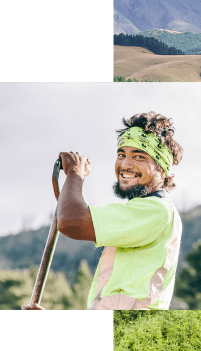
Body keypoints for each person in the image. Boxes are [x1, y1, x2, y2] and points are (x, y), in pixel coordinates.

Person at [22, 112, 184, 310]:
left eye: (139, 156)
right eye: (121, 155)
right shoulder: (149, 214)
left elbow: (71, 221)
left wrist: (75, 173)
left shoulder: (156, 211)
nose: (125, 165)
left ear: (162, 168)